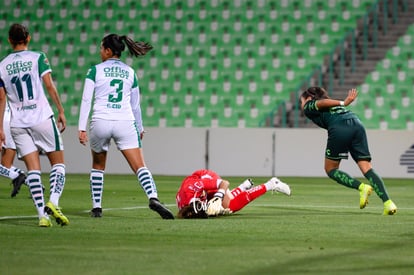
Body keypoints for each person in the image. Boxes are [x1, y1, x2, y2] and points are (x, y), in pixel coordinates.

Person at [78, 33, 174, 219]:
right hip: (125, 121)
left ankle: (97, 208)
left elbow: (86, 99)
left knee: (98, 165)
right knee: (140, 166)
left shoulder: (95, 70)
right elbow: (135, 105)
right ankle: (153, 197)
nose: (99, 52)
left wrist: (81, 127)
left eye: (101, 48)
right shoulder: (130, 72)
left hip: (101, 121)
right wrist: (140, 127)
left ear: (107, 51)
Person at [0, 23, 69, 227]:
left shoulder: (2, 65)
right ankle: (54, 202)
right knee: (58, 164)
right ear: (28, 38)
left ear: (9, 41)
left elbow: (1, 100)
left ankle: (42, 216)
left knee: (33, 171)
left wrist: (0, 129)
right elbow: (49, 85)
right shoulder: (38, 57)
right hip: (41, 118)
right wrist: (61, 110)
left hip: (17, 123)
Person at [300, 87, 397, 215]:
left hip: (340, 126)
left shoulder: (310, 106)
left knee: (330, 169)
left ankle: (362, 187)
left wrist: (343, 102)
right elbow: (324, 104)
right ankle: (388, 203)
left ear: (309, 98)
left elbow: (320, 103)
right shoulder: (331, 107)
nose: (301, 105)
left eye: (302, 101)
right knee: (366, 167)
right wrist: (342, 105)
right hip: (356, 123)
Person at [175, 169, 291, 219]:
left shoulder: (195, 187)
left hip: (204, 177)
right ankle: (242, 187)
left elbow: (224, 183)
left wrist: (218, 197)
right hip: (199, 190)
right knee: (219, 209)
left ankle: (271, 184)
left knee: (230, 206)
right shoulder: (185, 206)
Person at [0, 79, 27, 197]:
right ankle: (35, 184)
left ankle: (16, 176)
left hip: (3, 121)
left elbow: (1, 98)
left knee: (6, 165)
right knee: (6, 165)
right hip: (13, 119)